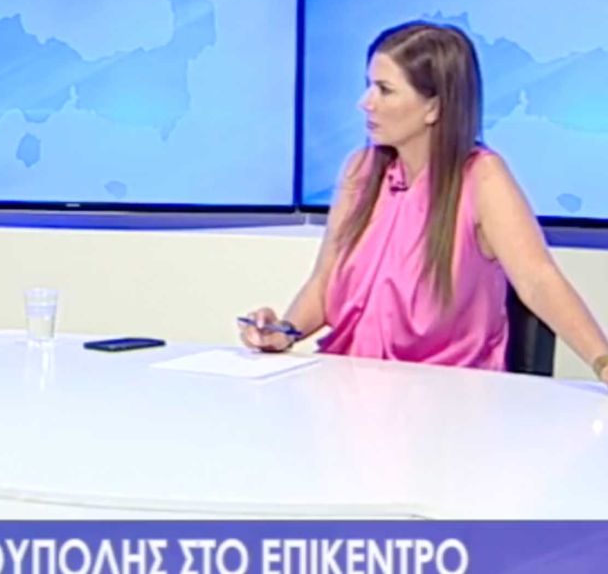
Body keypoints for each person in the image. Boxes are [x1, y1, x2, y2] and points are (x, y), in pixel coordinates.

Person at [240, 21, 608, 384]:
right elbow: (325, 283)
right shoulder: (360, 171)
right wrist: (284, 332)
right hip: (348, 386)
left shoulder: (482, 178)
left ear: (434, 107)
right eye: (369, 86)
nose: (365, 103)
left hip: (447, 394)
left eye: (385, 90)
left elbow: (538, 280)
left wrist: (602, 361)